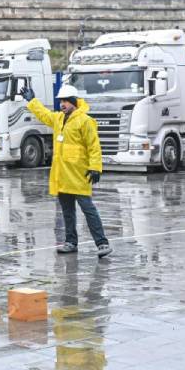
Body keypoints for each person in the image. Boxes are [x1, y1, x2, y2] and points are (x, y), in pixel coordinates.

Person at [22, 84, 112, 258]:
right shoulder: (58, 119)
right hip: (62, 176)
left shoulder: (85, 121)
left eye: (65, 101)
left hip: (79, 175)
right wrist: (32, 101)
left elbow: (94, 146)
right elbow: (43, 114)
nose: (62, 104)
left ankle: (102, 243)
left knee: (88, 210)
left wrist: (95, 167)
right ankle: (71, 242)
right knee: (67, 212)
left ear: (74, 102)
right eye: (61, 101)